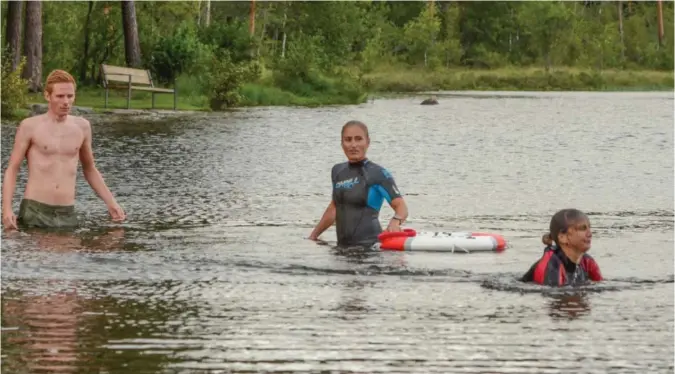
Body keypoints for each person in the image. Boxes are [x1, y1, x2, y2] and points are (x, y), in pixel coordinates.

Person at [2, 69, 125, 230]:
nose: (66, 101)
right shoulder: (30, 126)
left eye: (70, 96)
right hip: (35, 210)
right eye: (60, 96)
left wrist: (112, 203)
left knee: (72, 253)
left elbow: (90, 169)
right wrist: (6, 209)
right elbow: (12, 168)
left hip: (66, 212)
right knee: (34, 254)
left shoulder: (82, 127)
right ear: (48, 96)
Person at [309, 120, 409, 248]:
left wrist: (395, 222)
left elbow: (401, 207)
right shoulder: (337, 171)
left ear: (367, 142)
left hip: (370, 249)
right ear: (342, 143)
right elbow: (334, 207)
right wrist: (313, 236)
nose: (353, 145)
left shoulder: (378, 173)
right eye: (348, 140)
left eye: (358, 139)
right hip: (341, 249)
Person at [521, 208, 603, 287]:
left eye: (589, 227)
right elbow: (557, 297)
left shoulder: (587, 262)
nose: (590, 234)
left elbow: (601, 284)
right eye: (582, 228)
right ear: (562, 237)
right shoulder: (552, 267)